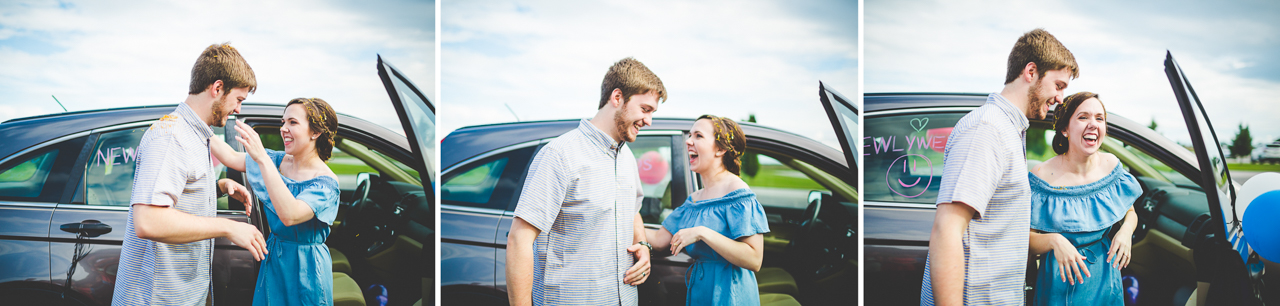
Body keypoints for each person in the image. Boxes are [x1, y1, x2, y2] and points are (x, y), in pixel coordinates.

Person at [921, 28, 1079, 306]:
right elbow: (947, 231)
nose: (1060, 98)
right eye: (1058, 85)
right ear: (1031, 72)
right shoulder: (987, 130)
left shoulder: (1009, 129)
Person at [113, 43, 268, 305]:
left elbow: (177, 194)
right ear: (217, 88)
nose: (238, 110)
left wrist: (217, 187)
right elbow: (148, 220)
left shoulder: (197, 135)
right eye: (239, 100)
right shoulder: (171, 137)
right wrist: (228, 226)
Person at [505, 57, 666, 306]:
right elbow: (519, 240)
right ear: (617, 97)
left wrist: (642, 244)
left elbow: (632, 211)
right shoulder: (560, 155)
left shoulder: (627, 157)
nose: (649, 121)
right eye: (645, 109)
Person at [209, 98, 341, 305]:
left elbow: (290, 215)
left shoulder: (326, 184)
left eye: (292, 122)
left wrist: (262, 158)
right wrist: (199, 121)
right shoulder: (277, 161)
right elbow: (231, 156)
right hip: (274, 260)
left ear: (315, 132)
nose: (283, 128)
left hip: (306, 269)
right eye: (283, 122)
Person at [1028, 92, 1141, 305]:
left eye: (1099, 118)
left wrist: (1126, 231)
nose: (1093, 124)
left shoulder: (1111, 165)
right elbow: (1025, 239)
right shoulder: (1041, 175)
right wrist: (1054, 241)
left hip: (1106, 277)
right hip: (1058, 281)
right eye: (1083, 117)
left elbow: (1130, 212)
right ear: (1064, 129)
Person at [647, 115, 771, 305]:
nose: (688, 141)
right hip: (701, 292)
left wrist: (702, 233)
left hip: (731, 296)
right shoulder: (694, 200)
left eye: (698, 136)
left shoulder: (737, 193)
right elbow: (658, 240)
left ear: (720, 149)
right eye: (690, 135)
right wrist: (624, 216)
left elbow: (754, 259)